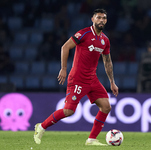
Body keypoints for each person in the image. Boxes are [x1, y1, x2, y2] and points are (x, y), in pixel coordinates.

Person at [34, 8, 118, 146]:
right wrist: (64, 68)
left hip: (92, 79)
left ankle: (91, 139)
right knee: (68, 111)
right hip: (78, 79)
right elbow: (65, 47)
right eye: (98, 17)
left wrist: (112, 82)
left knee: (106, 106)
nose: (101, 20)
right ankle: (41, 127)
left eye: (104, 18)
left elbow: (107, 61)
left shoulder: (105, 40)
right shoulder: (83, 33)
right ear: (93, 19)